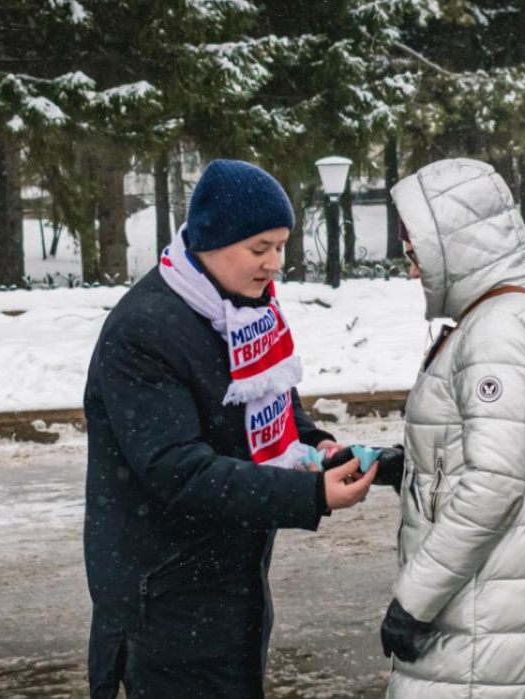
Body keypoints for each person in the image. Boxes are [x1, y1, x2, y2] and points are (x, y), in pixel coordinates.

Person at [84, 159, 377, 698]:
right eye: (259, 248)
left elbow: (274, 405)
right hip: (161, 605)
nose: (275, 264)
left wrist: (312, 445)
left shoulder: (243, 313)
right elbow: (177, 470)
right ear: (212, 242)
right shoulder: (144, 331)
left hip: (227, 593)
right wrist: (308, 493)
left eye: (281, 246)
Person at [379, 158, 525, 697]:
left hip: (493, 626)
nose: (412, 268)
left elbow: (495, 484)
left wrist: (414, 599)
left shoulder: (496, 330)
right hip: (524, 604)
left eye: (415, 249)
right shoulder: (517, 312)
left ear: (453, 240)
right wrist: (406, 464)